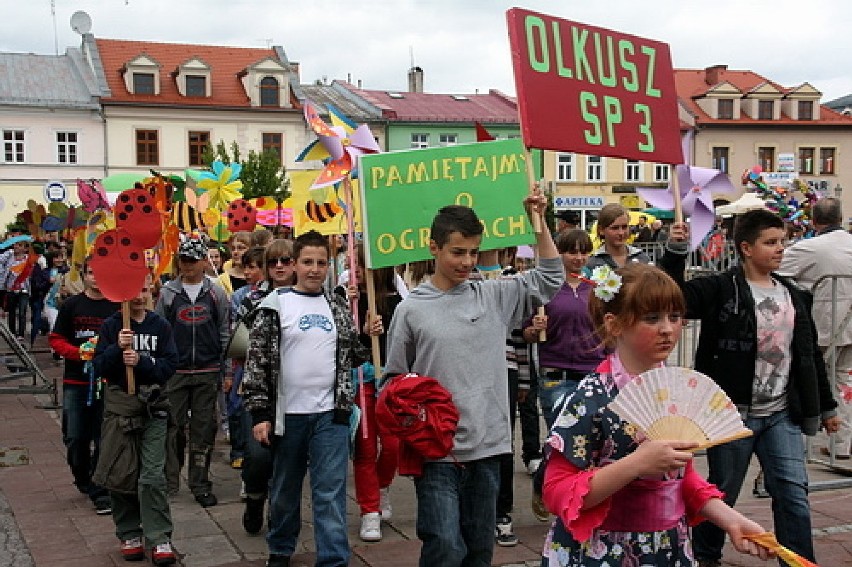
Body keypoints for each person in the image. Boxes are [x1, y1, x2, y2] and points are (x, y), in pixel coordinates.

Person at [540, 262, 772, 566]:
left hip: (667, 546)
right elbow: (555, 490)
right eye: (652, 318)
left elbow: (681, 479)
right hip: (603, 549)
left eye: (675, 317)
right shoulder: (590, 398)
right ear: (614, 324)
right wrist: (637, 463)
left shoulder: (671, 390)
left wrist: (732, 520)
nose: (667, 328)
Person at [384, 192, 563, 567]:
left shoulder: (495, 295)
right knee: (444, 547)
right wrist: (414, 419)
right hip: (436, 450)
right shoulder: (411, 309)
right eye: (457, 252)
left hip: (488, 445)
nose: (467, 262)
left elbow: (550, 277)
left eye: (473, 252)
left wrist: (539, 220)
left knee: (480, 550)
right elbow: (392, 381)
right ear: (434, 247)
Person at [659, 209, 840, 566]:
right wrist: (676, 252)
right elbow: (674, 296)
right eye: (770, 243)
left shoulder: (794, 295)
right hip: (731, 416)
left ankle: (799, 561)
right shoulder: (721, 288)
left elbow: (808, 355)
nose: (780, 250)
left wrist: (828, 407)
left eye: (782, 242)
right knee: (721, 493)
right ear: (745, 247)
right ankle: (705, 555)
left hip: (780, 414)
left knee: (792, 492)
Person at [242, 230, 375, 567]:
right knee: (285, 489)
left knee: (329, 492)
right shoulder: (273, 306)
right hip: (289, 417)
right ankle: (281, 548)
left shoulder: (337, 304)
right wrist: (260, 414)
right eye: (307, 262)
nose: (315, 269)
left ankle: (333, 558)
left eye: (321, 262)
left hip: (331, 414)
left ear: (329, 266)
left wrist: (369, 332)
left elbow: (353, 355)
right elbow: (257, 362)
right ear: (295, 265)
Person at [92, 277, 180, 565]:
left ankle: (159, 536)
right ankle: (129, 530)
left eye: (143, 290)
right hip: (120, 408)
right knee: (121, 472)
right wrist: (117, 348)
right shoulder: (111, 326)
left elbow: (169, 365)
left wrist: (142, 361)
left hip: (153, 407)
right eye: (132, 291)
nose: (138, 297)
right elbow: (100, 366)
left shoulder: (160, 327)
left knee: (151, 475)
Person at [155, 235, 230, 508]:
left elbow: (225, 331)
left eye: (192, 260)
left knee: (204, 429)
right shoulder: (168, 293)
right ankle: (170, 480)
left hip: (208, 369)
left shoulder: (216, 292)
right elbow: (159, 331)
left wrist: (227, 369)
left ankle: (200, 483)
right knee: (171, 428)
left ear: (203, 262)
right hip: (175, 371)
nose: (187, 266)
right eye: (183, 260)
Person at [336, 244, 403, 543]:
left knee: (392, 445)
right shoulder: (344, 296)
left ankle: (381, 486)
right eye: (353, 263)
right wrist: (359, 328)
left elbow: (403, 340)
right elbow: (342, 343)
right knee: (364, 446)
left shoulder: (396, 299)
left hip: (388, 380)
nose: (356, 269)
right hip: (359, 378)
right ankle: (369, 511)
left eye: (361, 263)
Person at [777, 197, 852, 460]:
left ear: (814, 221)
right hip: (846, 324)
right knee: (844, 381)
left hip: (826, 324)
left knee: (807, 378)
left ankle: (792, 442)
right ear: (840, 218)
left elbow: (774, 269)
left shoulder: (810, 248)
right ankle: (841, 444)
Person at [48, 258, 120, 514]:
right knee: (76, 437)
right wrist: (78, 353)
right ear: (84, 275)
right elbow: (56, 339)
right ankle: (82, 475)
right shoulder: (72, 305)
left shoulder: (116, 306)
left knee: (104, 437)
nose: (96, 278)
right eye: (91, 273)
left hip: (106, 382)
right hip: (76, 381)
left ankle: (100, 489)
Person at [240, 239, 296, 535]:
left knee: (287, 464)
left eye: (286, 260)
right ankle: (254, 498)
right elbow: (237, 342)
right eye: (273, 262)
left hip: (297, 395)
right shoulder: (251, 300)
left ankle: (280, 516)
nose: (279, 267)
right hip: (260, 390)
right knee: (259, 457)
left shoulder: (311, 296)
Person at [226, 246, 268, 470]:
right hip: (244, 362)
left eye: (253, 267)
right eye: (245, 268)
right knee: (239, 408)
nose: (248, 272)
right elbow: (234, 332)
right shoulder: (242, 297)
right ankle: (241, 452)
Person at [587, 204, 651, 271]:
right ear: (601, 230)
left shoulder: (642, 258)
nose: (621, 233)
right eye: (615, 228)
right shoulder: (592, 264)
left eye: (624, 227)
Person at [218, 232, 251, 296]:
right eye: (233, 249)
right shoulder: (221, 280)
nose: (235, 252)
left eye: (241, 248)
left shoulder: (261, 276)